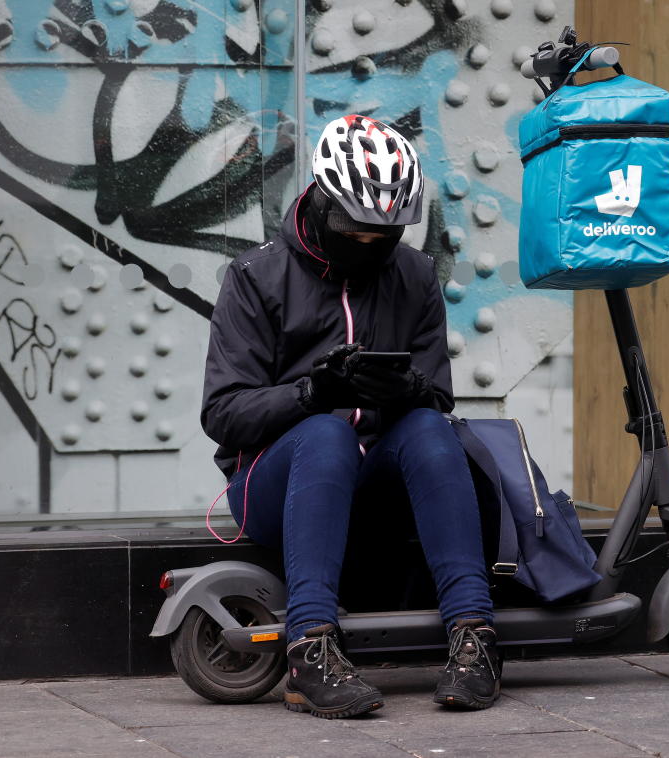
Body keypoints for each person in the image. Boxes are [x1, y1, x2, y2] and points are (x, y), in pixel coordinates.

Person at [201, 115, 501, 718]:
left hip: (380, 486)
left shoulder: (414, 276)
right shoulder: (255, 278)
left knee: (428, 429)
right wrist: (312, 392)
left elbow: (438, 398)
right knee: (325, 432)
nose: (369, 245)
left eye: (384, 235)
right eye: (354, 230)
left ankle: (476, 639)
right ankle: (310, 648)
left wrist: (405, 386)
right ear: (320, 200)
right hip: (277, 486)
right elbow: (223, 414)